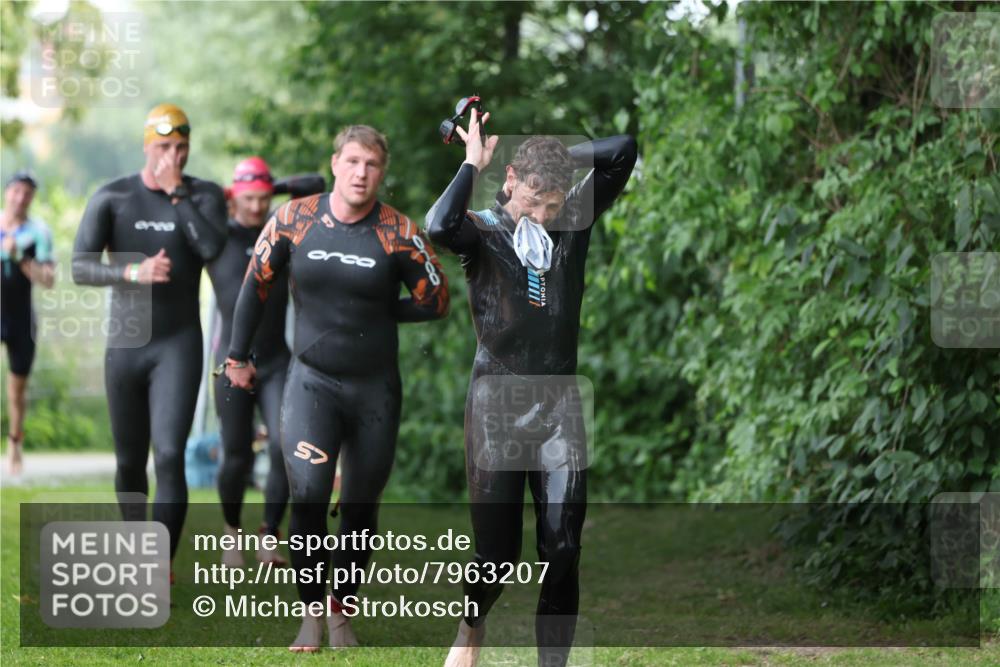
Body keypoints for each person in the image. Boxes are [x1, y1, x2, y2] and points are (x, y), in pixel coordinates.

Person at [224, 125, 450, 652]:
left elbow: (435, 300)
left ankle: (342, 611)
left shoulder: (396, 232)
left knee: (361, 507)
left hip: (375, 390)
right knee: (307, 494)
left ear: (381, 172)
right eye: (352, 162)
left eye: (371, 165)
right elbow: (254, 288)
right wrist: (237, 356)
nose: (360, 173)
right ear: (334, 163)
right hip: (311, 382)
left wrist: (380, 311)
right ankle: (310, 614)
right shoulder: (295, 219)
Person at [425, 109, 637, 667]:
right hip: (496, 403)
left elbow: (623, 150)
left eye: (553, 203)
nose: (542, 215)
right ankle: (471, 626)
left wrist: (563, 160)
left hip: (560, 404)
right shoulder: (483, 230)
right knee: (496, 557)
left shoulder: (572, 224)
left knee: (563, 548)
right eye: (533, 199)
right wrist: (472, 163)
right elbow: (438, 226)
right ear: (511, 179)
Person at [72, 103, 227, 565]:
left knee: (170, 453)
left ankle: (158, 565)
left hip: (177, 343)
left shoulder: (203, 196)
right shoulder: (112, 197)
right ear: (146, 146)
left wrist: (178, 195)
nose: (171, 157)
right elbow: (80, 267)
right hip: (127, 343)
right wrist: (134, 270)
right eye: (163, 147)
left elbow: (213, 249)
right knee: (129, 461)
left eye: (180, 148)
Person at [208, 157, 291, 567]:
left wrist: (274, 186)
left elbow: (314, 186)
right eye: (249, 199)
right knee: (235, 453)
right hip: (231, 363)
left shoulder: (282, 231)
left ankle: (269, 535)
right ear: (233, 197)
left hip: (277, 361)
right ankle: (231, 534)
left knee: (282, 446)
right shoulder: (217, 237)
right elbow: (197, 198)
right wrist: (227, 192)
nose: (258, 207)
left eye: (264, 198)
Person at [1, 172, 55, 476]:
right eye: (16, 192)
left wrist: (19, 255)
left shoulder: (38, 233)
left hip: (21, 319)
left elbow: (48, 280)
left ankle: (15, 444)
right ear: (7, 192)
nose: (20, 199)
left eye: (27, 194)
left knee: (16, 392)